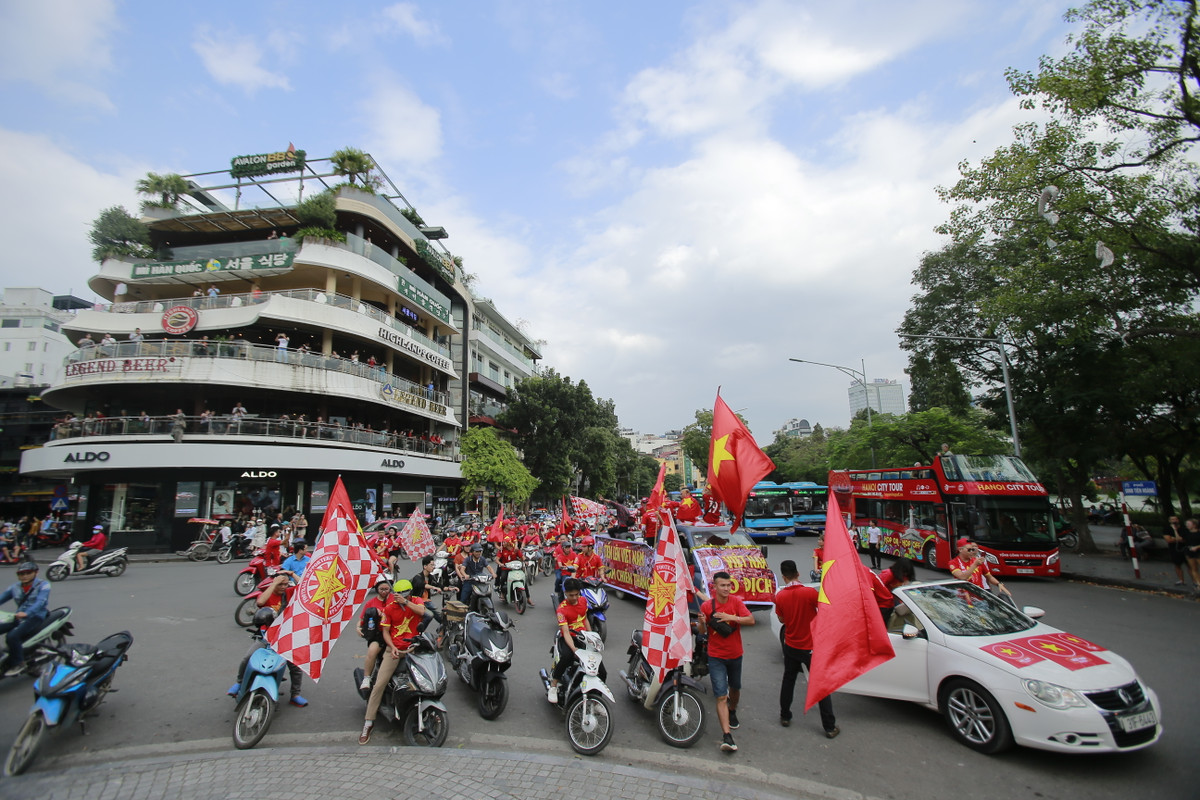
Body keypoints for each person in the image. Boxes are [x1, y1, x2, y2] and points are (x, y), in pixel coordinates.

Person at [774, 560, 838, 737]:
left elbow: (782, 620)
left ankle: (785, 715)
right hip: (811, 647)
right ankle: (829, 726)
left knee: (788, 680)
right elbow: (825, 610)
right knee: (820, 686)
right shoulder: (810, 593)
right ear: (798, 573)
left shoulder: (780, 596)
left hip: (791, 645)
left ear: (784, 576)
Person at [359, 579, 427, 744]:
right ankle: (368, 722)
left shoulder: (416, 601)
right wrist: (392, 647)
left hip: (414, 648)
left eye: (406, 593)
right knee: (379, 685)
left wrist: (407, 603)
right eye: (399, 594)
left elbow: (423, 612)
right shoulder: (389, 609)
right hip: (395, 650)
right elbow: (386, 632)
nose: (403, 596)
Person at [699, 571, 755, 752]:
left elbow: (751, 620)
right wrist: (701, 623)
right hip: (716, 656)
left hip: (735, 654)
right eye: (722, 585)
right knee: (721, 695)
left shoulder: (736, 603)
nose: (726, 589)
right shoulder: (707, 606)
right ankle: (727, 736)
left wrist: (732, 618)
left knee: (735, 688)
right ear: (714, 587)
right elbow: (701, 631)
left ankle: (733, 710)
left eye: (728, 585)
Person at [0, 562, 51, 675]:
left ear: (36, 572)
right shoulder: (15, 587)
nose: (24, 576)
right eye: (21, 573)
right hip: (18, 616)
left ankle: (19, 663)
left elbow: (40, 602)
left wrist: (27, 613)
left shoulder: (44, 585)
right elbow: (2, 598)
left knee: (12, 636)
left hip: (35, 616)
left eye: (28, 573)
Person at [546, 577, 591, 703]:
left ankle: (596, 696)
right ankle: (554, 685)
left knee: (599, 667)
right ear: (565, 593)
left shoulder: (583, 601)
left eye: (577, 594)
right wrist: (574, 649)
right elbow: (565, 632)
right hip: (569, 638)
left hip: (583, 636)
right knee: (567, 657)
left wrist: (592, 637)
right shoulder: (561, 609)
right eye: (571, 595)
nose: (575, 598)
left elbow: (585, 619)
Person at [357, 579, 393, 690]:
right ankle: (367, 678)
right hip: (378, 634)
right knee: (372, 651)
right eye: (381, 589)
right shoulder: (371, 603)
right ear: (377, 589)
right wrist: (358, 627)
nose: (384, 591)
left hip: (394, 632)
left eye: (386, 589)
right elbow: (362, 619)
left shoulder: (395, 599)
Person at [1163, 515, 1190, 587]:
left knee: (1190, 565)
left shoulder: (1184, 528)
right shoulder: (1167, 529)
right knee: (1177, 565)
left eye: (1175, 519)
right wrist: (1176, 539)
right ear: (1169, 521)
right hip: (1174, 549)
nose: (1174, 521)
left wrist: (1174, 538)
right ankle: (1181, 580)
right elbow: (1168, 540)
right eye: (1172, 519)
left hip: (1185, 548)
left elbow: (1185, 539)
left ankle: (1195, 581)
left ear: (1178, 520)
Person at [1182, 518, 1200, 593]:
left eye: (1189, 524)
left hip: (1198, 551)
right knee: (1193, 568)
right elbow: (1180, 539)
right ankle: (1198, 584)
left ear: (1194, 525)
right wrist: (1175, 530)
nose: (1187, 525)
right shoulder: (1186, 532)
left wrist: (1197, 547)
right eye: (1186, 524)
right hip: (1189, 551)